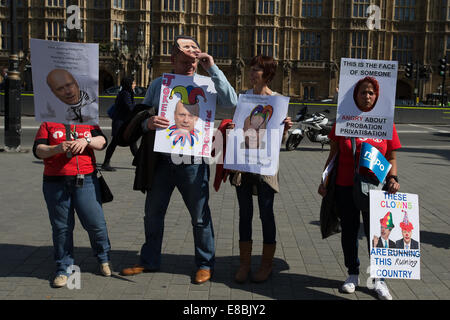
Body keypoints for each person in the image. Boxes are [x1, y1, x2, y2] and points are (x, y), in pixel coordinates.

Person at [119, 35, 237, 284]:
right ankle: (149, 260)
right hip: (162, 161)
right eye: (185, 61)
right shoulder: (159, 84)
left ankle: (205, 264)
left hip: (193, 162)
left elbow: (232, 102)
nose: (190, 66)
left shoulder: (207, 83)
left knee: (199, 216)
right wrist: (147, 122)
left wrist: (212, 67)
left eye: (194, 61)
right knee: (153, 213)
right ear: (173, 59)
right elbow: (140, 114)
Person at [318, 76, 401, 300]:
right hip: (345, 184)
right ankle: (352, 273)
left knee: (378, 234)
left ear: (377, 97)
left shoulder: (385, 122)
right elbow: (333, 154)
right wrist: (324, 180)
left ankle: (379, 279)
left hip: (376, 188)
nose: (367, 96)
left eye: (371, 93)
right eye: (363, 92)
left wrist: (393, 179)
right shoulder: (343, 121)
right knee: (350, 231)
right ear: (355, 96)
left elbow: (391, 156)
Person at [225, 55, 292, 283]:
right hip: (243, 165)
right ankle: (245, 264)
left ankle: (266, 264)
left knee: (266, 214)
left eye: (258, 70)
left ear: (268, 74)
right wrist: (232, 127)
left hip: (265, 167)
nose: (253, 73)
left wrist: (285, 129)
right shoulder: (243, 100)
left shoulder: (277, 102)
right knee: (245, 214)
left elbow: (277, 142)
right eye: (252, 69)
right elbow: (235, 131)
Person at [33, 121, 112, 288]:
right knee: (62, 227)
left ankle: (103, 258)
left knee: (95, 222)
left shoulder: (87, 120)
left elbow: (102, 142)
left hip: (86, 180)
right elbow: (38, 150)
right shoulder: (48, 123)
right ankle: (63, 268)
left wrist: (87, 141)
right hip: (55, 182)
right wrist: (56, 148)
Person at [101, 76, 138, 171]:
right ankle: (105, 163)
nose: (135, 85)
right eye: (133, 83)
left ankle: (139, 163)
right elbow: (130, 108)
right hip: (120, 123)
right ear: (129, 84)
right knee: (115, 142)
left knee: (132, 142)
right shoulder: (125, 94)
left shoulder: (126, 93)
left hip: (123, 122)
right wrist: (138, 109)